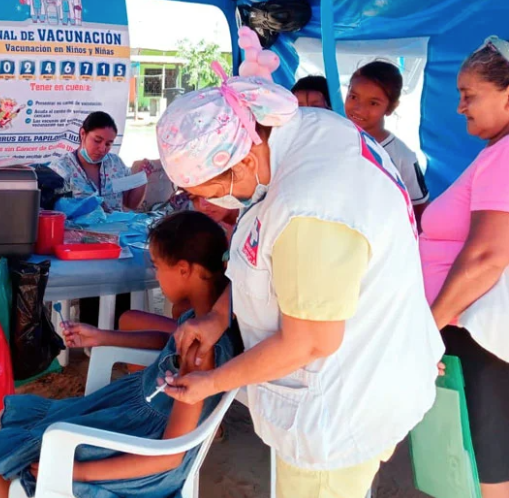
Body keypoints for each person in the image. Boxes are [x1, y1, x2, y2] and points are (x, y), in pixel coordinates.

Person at [154, 45, 443, 498]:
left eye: (206, 190)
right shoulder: (304, 132)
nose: (207, 204)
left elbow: (311, 340)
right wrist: (217, 317)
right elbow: (260, 250)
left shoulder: (312, 208)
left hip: (340, 405)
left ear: (245, 159)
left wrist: (211, 382)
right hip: (358, 373)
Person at [0, 210, 236, 498]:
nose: (155, 274)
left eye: (157, 266)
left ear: (184, 270)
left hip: (142, 455)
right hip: (130, 420)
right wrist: (103, 337)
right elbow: (167, 343)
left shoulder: (201, 349)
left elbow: (170, 456)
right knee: (10, 433)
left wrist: (78, 472)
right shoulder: (203, 322)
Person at [421, 36, 509, 498]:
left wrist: (425, 330)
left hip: (474, 336)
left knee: (484, 471)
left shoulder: (506, 154)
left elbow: (485, 255)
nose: (459, 107)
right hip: (471, 333)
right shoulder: (497, 152)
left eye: (468, 95)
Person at [345, 61, 429, 223]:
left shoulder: (402, 156)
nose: (358, 108)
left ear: (390, 108)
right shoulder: (334, 137)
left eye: (373, 103)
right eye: (354, 97)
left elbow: (419, 209)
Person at [50, 111, 147, 211]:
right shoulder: (61, 168)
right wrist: (92, 207)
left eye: (108, 144)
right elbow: (54, 211)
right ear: (83, 134)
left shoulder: (116, 164)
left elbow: (129, 204)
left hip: (116, 225)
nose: (102, 148)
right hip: (77, 227)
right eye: (97, 141)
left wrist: (141, 179)